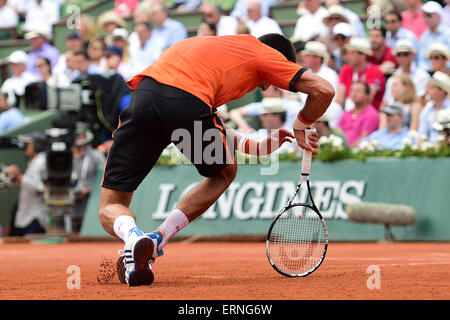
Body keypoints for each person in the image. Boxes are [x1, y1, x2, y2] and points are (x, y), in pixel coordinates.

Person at [99, 33, 334, 286]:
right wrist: (301, 125)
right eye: (274, 80)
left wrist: (254, 146)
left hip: (145, 98)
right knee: (224, 173)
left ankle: (132, 238)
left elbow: (191, 112)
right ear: (279, 60)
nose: (268, 87)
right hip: (186, 102)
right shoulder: (263, 53)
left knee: (111, 203)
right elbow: (323, 90)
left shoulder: (215, 47)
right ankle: (158, 239)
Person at [7, 132, 47, 236]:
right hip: (25, 215)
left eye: (28, 144)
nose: (24, 147)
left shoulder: (42, 161)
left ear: (37, 145)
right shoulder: (33, 162)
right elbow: (27, 185)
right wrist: (17, 180)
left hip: (35, 217)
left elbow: (39, 188)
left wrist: (20, 176)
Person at [71, 122, 106, 232]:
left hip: (90, 207)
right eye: (76, 134)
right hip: (70, 207)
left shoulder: (96, 156)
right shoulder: (66, 156)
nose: (78, 137)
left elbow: (105, 181)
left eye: (80, 134)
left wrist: (88, 190)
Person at [299, 41, 343, 127]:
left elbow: (332, 102)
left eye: (308, 55)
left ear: (318, 58)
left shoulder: (330, 75)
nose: (304, 58)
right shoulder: (304, 74)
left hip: (326, 117)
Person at [336, 37, 386, 110]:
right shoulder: (345, 69)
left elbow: (366, 101)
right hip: (349, 114)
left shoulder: (375, 72)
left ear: (363, 55)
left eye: (352, 53)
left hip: (370, 116)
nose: (348, 57)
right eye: (347, 53)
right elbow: (339, 100)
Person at [381, 39, 430, 112]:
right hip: (393, 115)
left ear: (413, 55)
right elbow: (385, 102)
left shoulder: (423, 76)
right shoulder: (392, 78)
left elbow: (422, 101)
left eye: (405, 54)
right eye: (399, 55)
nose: (402, 57)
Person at [229, 85, 302, 133]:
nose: (262, 92)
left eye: (266, 89)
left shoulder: (295, 106)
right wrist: (244, 126)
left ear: (278, 92)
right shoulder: (264, 104)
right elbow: (234, 113)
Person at [337, 81, 380, 148]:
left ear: (367, 95)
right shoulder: (347, 113)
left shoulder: (372, 114)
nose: (354, 93)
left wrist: (347, 150)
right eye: (352, 90)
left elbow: (364, 138)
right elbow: (337, 133)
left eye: (358, 91)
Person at [418, 71, 450, 142]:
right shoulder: (426, 109)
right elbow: (421, 134)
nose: (427, 91)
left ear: (442, 92)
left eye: (431, 88)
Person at [418, 1, 450, 71]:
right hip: (427, 73)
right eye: (424, 16)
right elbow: (421, 60)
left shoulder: (448, 34)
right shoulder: (424, 36)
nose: (425, 19)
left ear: (438, 16)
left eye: (429, 15)